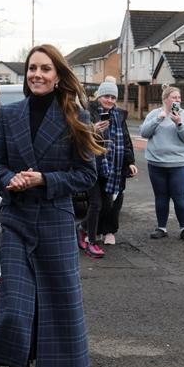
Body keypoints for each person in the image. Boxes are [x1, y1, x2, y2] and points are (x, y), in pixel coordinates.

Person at [0, 44, 104, 367]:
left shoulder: (74, 116)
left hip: (54, 221)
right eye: (32, 68)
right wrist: (10, 179)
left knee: (55, 309)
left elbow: (87, 176)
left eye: (45, 69)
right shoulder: (11, 114)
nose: (37, 74)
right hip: (16, 221)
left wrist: (44, 179)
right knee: (15, 310)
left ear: (57, 74)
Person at [77, 77, 137, 254]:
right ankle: (92, 241)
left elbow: (125, 141)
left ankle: (83, 228)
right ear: (99, 96)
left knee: (106, 204)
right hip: (92, 164)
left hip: (112, 167)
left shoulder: (119, 115)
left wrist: (130, 162)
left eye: (113, 97)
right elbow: (78, 138)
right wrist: (93, 129)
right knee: (95, 204)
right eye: (106, 96)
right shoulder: (86, 112)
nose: (110, 100)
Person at [140, 85, 184, 240]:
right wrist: (159, 119)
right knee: (161, 196)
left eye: (179, 97)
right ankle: (161, 228)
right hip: (156, 164)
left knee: (180, 196)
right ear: (165, 99)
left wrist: (178, 123)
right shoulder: (154, 114)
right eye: (174, 97)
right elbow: (144, 132)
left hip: (179, 164)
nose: (177, 100)